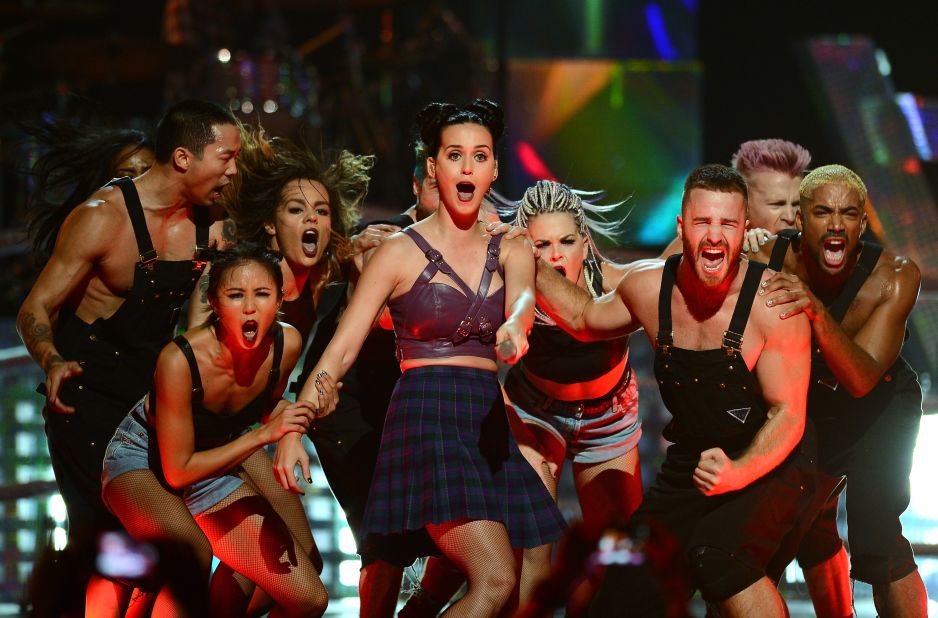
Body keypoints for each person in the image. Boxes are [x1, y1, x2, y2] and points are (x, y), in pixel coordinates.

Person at [277, 99, 566, 617]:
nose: (468, 167)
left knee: (520, 567)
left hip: (484, 419)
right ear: (433, 168)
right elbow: (340, 349)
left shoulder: (511, 246)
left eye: (481, 156)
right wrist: (295, 428)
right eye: (455, 155)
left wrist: (516, 327)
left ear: (495, 169)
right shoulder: (398, 252)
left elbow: (522, 299)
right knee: (495, 577)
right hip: (426, 415)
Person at [535, 164, 816, 616]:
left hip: (774, 461)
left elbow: (789, 415)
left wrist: (739, 471)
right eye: (703, 222)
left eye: (727, 224)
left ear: (745, 230)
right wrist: (524, 258)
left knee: (717, 557)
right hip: (692, 463)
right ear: (682, 226)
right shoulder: (648, 286)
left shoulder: (773, 303)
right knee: (622, 588)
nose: (714, 236)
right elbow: (585, 319)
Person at [16, 99, 239, 615]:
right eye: (225, 157)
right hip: (86, 400)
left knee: (165, 552)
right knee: (105, 545)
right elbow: (37, 307)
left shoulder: (212, 223)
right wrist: (51, 360)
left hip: (150, 404)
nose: (233, 170)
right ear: (184, 157)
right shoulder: (101, 219)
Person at [101, 242, 333, 617]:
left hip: (219, 451)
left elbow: (270, 408)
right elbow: (178, 471)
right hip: (145, 458)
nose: (249, 307)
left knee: (309, 597)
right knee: (193, 554)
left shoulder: (286, 343)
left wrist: (295, 429)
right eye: (235, 295)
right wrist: (265, 435)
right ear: (213, 301)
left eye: (262, 294)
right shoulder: (180, 359)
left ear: (280, 300)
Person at [759, 164, 928, 617]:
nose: (836, 225)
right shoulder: (763, 259)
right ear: (800, 219)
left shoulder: (894, 276)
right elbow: (684, 261)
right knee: (771, 531)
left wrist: (814, 309)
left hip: (880, 409)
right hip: (810, 405)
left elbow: (861, 379)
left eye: (849, 214)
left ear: (862, 222)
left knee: (876, 538)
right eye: (823, 212)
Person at [218, 125, 372, 615]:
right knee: (298, 560)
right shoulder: (252, 280)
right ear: (270, 224)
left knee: (259, 567)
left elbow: (384, 251)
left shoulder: (322, 271)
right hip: (225, 429)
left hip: (261, 425)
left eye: (322, 212)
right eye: (296, 209)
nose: (312, 220)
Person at [23, 119, 156, 262]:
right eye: (126, 176)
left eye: (147, 173)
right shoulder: (93, 233)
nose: (140, 182)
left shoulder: (178, 222)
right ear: (107, 184)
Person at [660, 138, 811, 257]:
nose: (791, 216)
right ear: (743, 205)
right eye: (777, 204)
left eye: (797, 204)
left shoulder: (810, 251)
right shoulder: (699, 242)